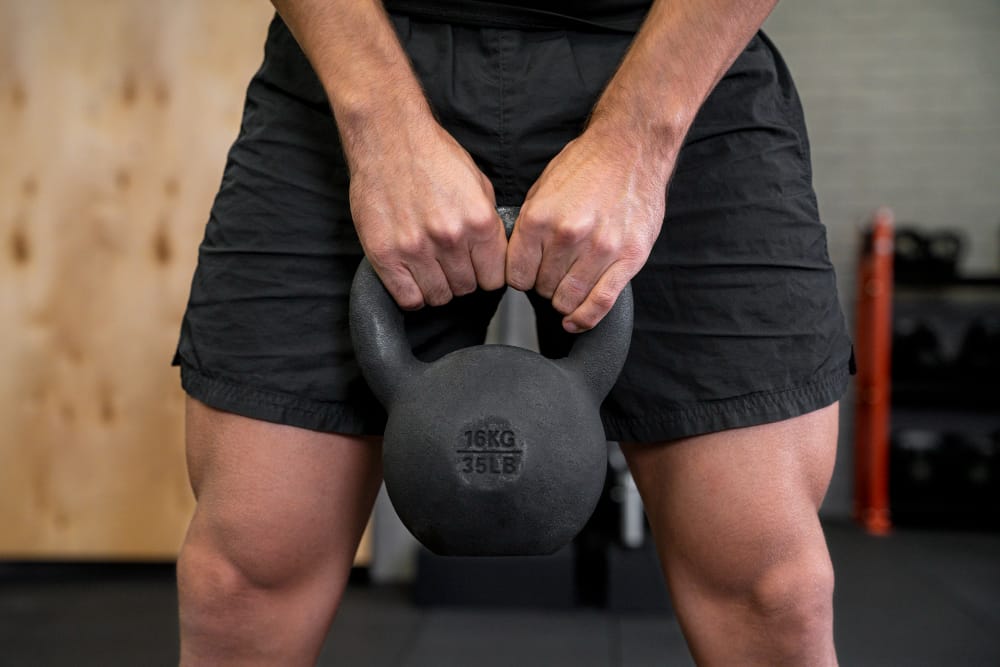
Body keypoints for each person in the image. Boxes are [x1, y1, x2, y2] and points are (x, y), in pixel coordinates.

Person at [172, 0, 854, 664]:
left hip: (675, 54)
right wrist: (379, 127)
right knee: (241, 584)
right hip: (359, 51)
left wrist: (640, 140)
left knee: (772, 595)